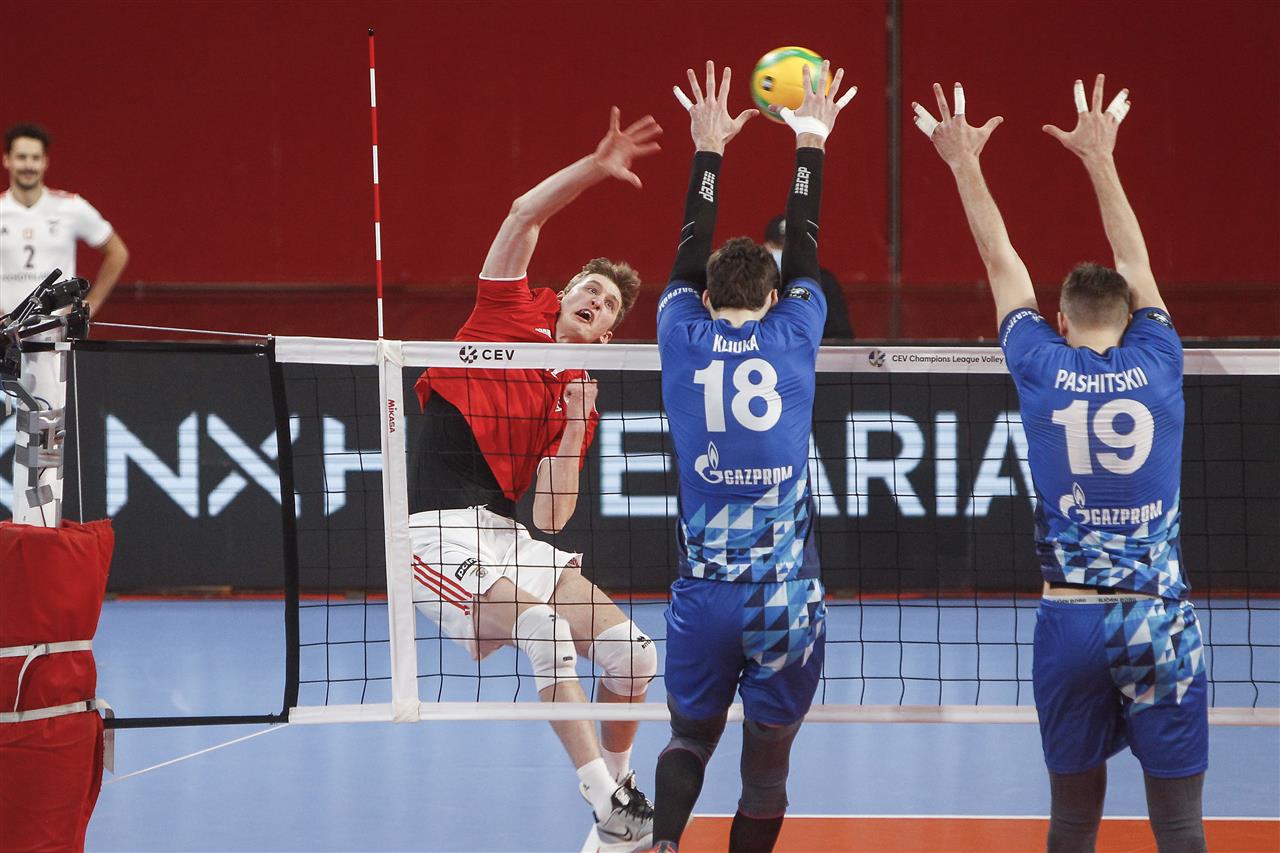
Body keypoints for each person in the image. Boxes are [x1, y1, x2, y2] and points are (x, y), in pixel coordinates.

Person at [914, 76, 1207, 852]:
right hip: (1159, 618)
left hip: (1072, 619)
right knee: (1181, 824)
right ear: (1132, 315)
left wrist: (964, 162)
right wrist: (1099, 157)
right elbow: (1134, 257)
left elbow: (1000, 258)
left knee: (1073, 821)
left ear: (1062, 320)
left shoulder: (1042, 364)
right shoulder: (1161, 358)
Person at [408, 108, 662, 851]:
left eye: (608, 305)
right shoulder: (505, 312)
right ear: (565, 292)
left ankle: (618, 795)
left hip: (506, 535)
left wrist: (577, 427)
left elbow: (549, 517)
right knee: (544, 632)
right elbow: (524, 213)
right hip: (433, 532)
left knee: (637, 656)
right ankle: (607, 801)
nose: (596, 300)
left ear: (608, 334)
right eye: (590, 287)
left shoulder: (579, 390)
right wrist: (595, 167)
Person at [652, 60, 855, 853]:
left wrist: (708, 149)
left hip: (704, 597)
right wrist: (811, 139)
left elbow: (685, 251)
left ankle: (664, 845)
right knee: (765, 774)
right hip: (784, 600)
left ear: (704, 299)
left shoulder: (680, 331)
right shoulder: (796, 330)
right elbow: (805, 248)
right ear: (774, 300)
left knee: (687, 739)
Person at [0, 123, 129, 316]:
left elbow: (118, 252)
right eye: (21, 157)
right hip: (6, 330)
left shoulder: (71, 206)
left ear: (45, 162)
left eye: (35, 158)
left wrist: (90, 305)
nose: (28, 165)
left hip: (57, 330)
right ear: (7, 160)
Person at [762, 213, 853, 340]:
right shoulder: (758, 281)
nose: (787, 251)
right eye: (780, 245)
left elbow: (840, 336)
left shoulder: (824, 281)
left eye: (794, 245)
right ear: (767, 247)